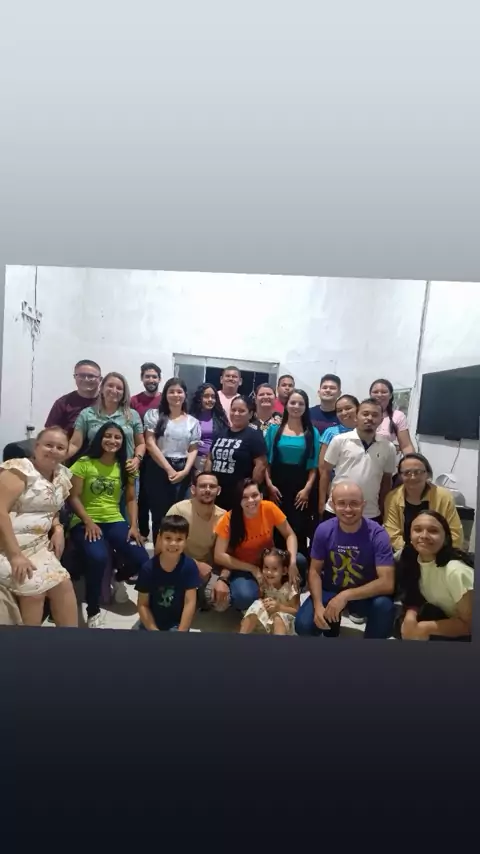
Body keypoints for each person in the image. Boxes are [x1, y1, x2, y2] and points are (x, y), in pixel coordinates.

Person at [68, 422, 149, 628]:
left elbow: (131, 499)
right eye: (108, 436)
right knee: (98, 557)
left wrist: (133, 526)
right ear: (100, 439)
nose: (112, 441)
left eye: (117, 437)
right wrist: (88, 521)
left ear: (123, 441)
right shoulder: (84, 463)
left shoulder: (125, 466)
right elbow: (73, 497)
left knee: (141, 559)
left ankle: (118, 578)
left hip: (114, 519)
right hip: (84, 521)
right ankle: (93, 610)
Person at [295, 482, 395, 639]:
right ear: (332, 505)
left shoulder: (378, 534)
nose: (348, 509)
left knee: (384, 606)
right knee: (303, 625)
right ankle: (331, 629)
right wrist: (318, 605)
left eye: (354, 503)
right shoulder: (323, 530)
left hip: (364, 593)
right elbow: (314, 571)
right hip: (331, 589)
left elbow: (387, 583)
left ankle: (372, 646)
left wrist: (345, 595)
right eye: (341, 503)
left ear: (363, 505)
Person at [0, 427, 78, 627]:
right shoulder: (19, 471)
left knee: (64, 585)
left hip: (39, 545)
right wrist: (16, 556)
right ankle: (29, 644)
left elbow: (51, 507)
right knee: (34, 591)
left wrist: (58, 527)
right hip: (8, 547)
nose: (54, 451)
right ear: (36, 447)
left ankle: (72, 642)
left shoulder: (61, 475)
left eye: (60, 447)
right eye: (48, 445)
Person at [214, 478, 305, 611]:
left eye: (254, 495)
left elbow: (290, 535)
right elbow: (218, 555)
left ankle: (287, 594)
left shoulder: (269, 507)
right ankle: (263, 595)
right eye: (245, 497)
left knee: (300, 560)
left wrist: (291, 563)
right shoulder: (228, 519)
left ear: (261, 496)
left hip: (269, 561)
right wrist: (253, 569)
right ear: (239, 500)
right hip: (243, 567)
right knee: (244, 596)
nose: (251, 500)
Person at [398, 510, 473, 641]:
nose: (424, 535)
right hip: (447, 617)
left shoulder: (455, 571)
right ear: (410, 536)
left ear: (446, 538)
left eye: (433, 531)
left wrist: (425, 628)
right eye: (417, 530)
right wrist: (410, 617)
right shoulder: (413, 560)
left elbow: (471, 625)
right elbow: (413, 595)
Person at [144, 378, 201, 543]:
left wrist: (185, 471)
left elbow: (193, 448)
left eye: (179, 392)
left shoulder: (192, 421)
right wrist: (168, 469)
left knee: (181, 515)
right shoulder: (154, 415)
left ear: (185, 395)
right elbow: (150, 443)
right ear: (165, 394)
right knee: (160, 514)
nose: (176, 395)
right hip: (158, 468)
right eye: (171, 391)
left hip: (183, 468)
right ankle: (160, 552)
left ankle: (178, 551)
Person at [320, 398, 397, 522]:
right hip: (336, 510)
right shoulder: (339, 440)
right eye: (365, 414)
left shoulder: (389, 447)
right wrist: (321, 502)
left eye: (375, 415)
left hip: (371, 512)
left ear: (381, 420)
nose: (370, 418)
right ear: (356, 417)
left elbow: (386, 481)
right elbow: (325, 472)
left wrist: (384, 508)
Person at [265, 389, 320, 557]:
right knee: (275, 527)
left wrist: (307, 490)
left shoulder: (312, 432)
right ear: (286, 405)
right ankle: (273, 567)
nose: (296, 406)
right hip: (277, 488)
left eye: (301, 403)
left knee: (298, 528)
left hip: (300, 490)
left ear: (306, 407)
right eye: (293, 402)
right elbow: (266, 462)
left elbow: (313, 466)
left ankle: (296, 567)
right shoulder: (274, 430)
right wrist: (269, 486)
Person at [166, 471, 227, 611]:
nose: (207, 490)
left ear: (218, 491)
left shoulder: (223, 516)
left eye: (212, 486)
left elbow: (226, 554)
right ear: (193, 489)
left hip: (208, 570)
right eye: (203, 486)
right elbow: (161, 548)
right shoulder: (178, 510)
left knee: (221, 603)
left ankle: (200, 595)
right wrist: (196, 564)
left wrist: (222, 580)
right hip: (178, 563)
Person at [384, 453, 463, 557]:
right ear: (400, 476)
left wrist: (433, 555)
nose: (413, 477)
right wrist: (415, 555)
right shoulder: (392, 497)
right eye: (407, 473)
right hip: (406, 554)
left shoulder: (444, 496)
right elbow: (392, 534)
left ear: (427, 474)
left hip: (439, 554)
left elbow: (455, 534)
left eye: (418, 472)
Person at [68, 372, 145, 476]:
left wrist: (137, 459)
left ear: (124, 393)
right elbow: (75, 444)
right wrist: (57, 458)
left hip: (125, 471)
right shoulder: (87, 414)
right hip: (95, 472)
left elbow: (140, 443)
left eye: (119, 388)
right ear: (101, 388)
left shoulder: (132, 415)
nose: (114, 390)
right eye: (110, 386)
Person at [135, 515, 202, 632]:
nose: (173, 543)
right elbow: (142, 604)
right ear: (159, 538)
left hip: (176, 624)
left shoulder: (189, 567)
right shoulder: (148, 569)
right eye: (168, 538)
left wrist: (181, 631)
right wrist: (153, 630)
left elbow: (190, 603)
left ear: (186, 541)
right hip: (151, 622)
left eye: (179, 539)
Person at [205, 395, 268, 511]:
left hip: (239, 494)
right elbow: (210, 458)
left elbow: (261, 465)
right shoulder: (220, 433)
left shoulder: (254, 436)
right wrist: (207, 481)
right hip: (216, 492)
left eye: (241, 411)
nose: (236, 414)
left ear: (250, 414)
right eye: (233, 410)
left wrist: (251, 490)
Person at [130, 362, 163, 540]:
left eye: (154, 376)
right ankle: (143, 532)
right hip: (140, 455)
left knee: (158, 495)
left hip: (161, 455)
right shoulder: (134, 401)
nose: (151, 380)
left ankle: (162, 532)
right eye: (147, 376)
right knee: (141, 495)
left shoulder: (165, 400)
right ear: (142, 378)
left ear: (159, 379)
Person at [240, 547, 300, 635]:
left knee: (278, 617)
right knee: (257, 605)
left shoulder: (290, 588)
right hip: (268, 619)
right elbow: (261, 597)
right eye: (266, 567)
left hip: (284, 622)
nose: (269, 572)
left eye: (274, 569)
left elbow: (296, 611)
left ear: (284, 571)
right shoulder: (265, 583)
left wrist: (279, 607)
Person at [45, 359, 102, 451]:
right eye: (81, 375)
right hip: (70, 455)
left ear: (100, 379)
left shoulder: (108, 402)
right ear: (75, 377)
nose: (86, 379)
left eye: (91, 376)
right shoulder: (63, 403)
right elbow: (49, 434)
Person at [318, 394, 359, 517]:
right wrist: (325, 494)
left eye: (348, 408)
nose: (344, 413)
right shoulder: (331, 432)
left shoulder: (365, 432)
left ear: (358, 408)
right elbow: (322, 467)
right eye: (339, 410)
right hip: (335, 489)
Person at [369, 378, 415, 459]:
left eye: (384, 392)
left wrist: (412, 462)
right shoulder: (360, 414)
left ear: (390, 395)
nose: (379, 395)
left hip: (386, 463)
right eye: (375, 392)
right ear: (370, 394)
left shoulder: (398, 416)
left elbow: (406, 446)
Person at [189, 383, 229, 471]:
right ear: (199, 398)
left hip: (216, 460)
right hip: (195, 460)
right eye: (206, 396)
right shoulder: (191, 417)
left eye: (213, 397)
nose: (210, 399)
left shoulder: (220, 417)